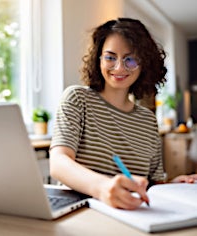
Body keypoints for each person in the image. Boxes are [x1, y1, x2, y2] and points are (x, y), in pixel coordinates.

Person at [49, 18, 197, 210]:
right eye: (110, 57)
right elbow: (59, 163)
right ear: (98, 59)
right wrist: (103, 188)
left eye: (130, 59)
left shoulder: (148, 120)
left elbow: (152, 184)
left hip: (131, 214)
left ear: (144, 63)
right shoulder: (77, 99)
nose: (119, 68)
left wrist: (172, 185)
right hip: (81, 212)